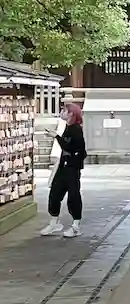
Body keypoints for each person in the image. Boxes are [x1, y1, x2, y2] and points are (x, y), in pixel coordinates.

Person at [41, 101, 86, 238]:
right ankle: (54, 222)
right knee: (54, 194)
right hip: (63, 166)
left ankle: (76, 226)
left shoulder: (76, 129)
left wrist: (56, 136)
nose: (61, 113)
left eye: (64, 111)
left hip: (72, 168)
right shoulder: (68, 127)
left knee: (73, 196)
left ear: (71, 114)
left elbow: (70, 147)